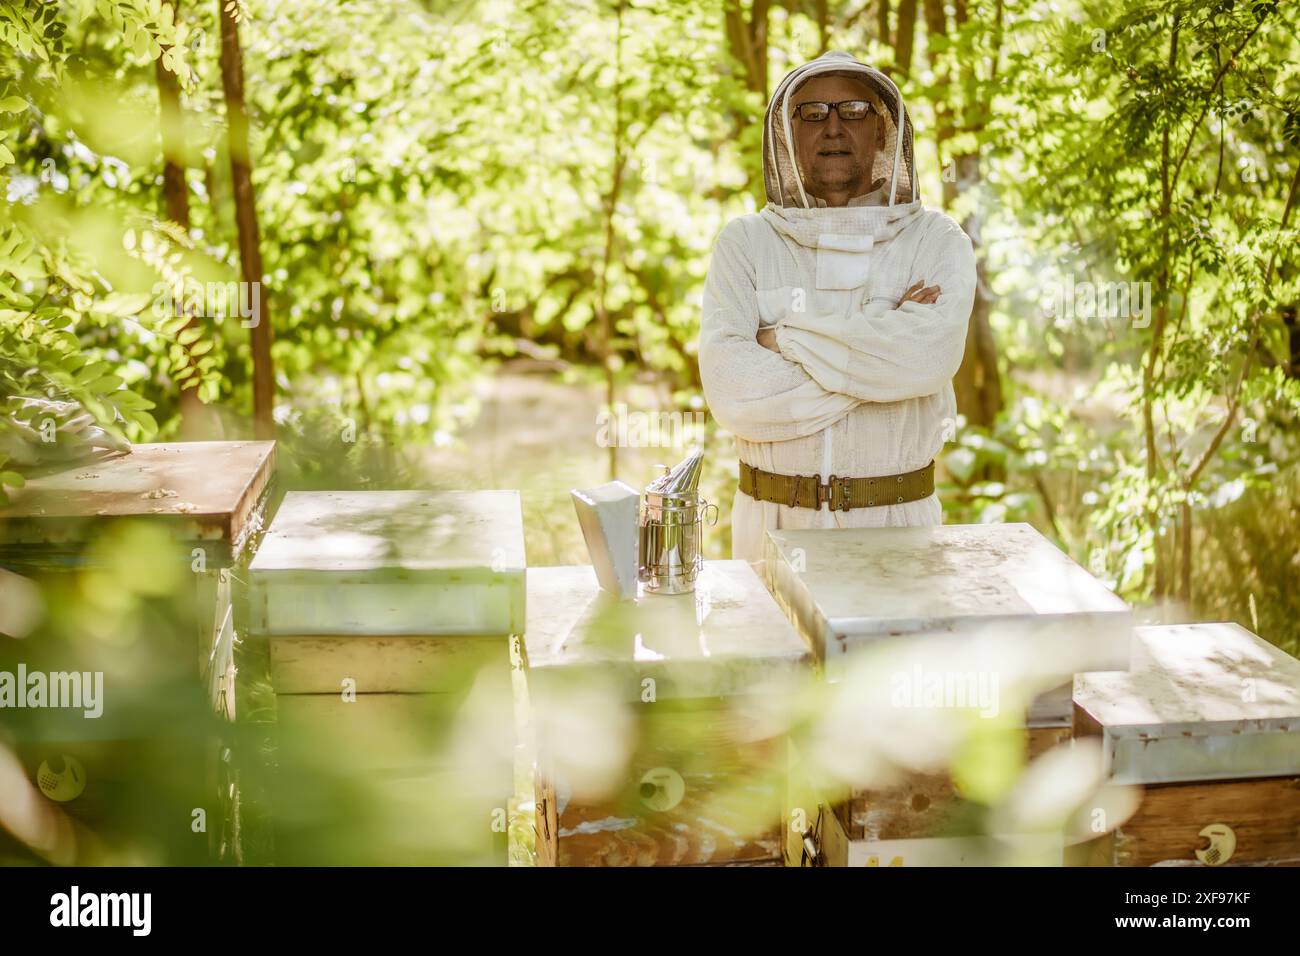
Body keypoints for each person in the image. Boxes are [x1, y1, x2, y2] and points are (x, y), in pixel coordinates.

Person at [698, 50, 977, 564]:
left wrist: (781, 339)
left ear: (882, 129)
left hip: (898, 530)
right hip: (770, 530)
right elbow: (733, 393)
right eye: (812, 113)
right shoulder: (745, 243)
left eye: (853, 111)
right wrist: (881, 343)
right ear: (788, 132)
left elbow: (925, 361)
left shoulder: (936, 241)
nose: (832, 128)